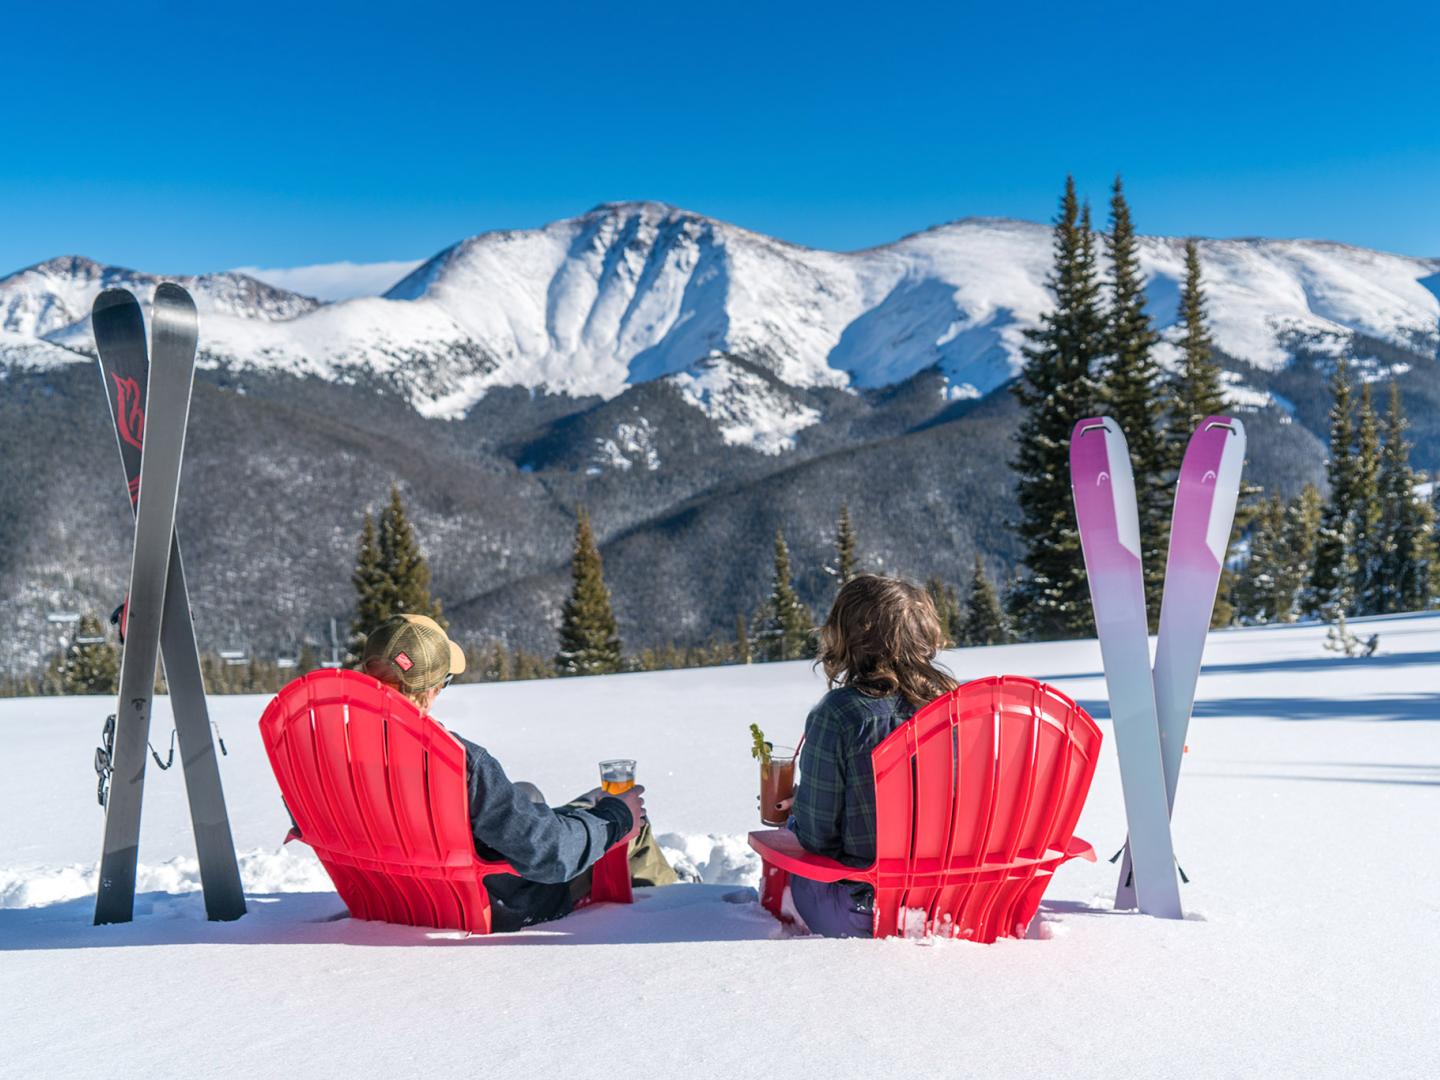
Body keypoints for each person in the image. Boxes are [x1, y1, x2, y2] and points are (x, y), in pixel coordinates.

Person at [359, 613, 677, 931]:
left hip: (398, 895)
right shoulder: (458, 764)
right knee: (618, 812)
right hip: (504, 902)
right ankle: (672, 902)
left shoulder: (332, 752)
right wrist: (617, 817)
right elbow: (551, 854)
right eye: (444, 682)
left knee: (532, 796)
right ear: (430, 691)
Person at [785, 575, 958, 937]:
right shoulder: (962, 709)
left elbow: (818, 840)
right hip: (954, 902)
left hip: (863, 909)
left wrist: (799, 810)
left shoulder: (841, 714)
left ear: (848, 637)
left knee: (792, 842)